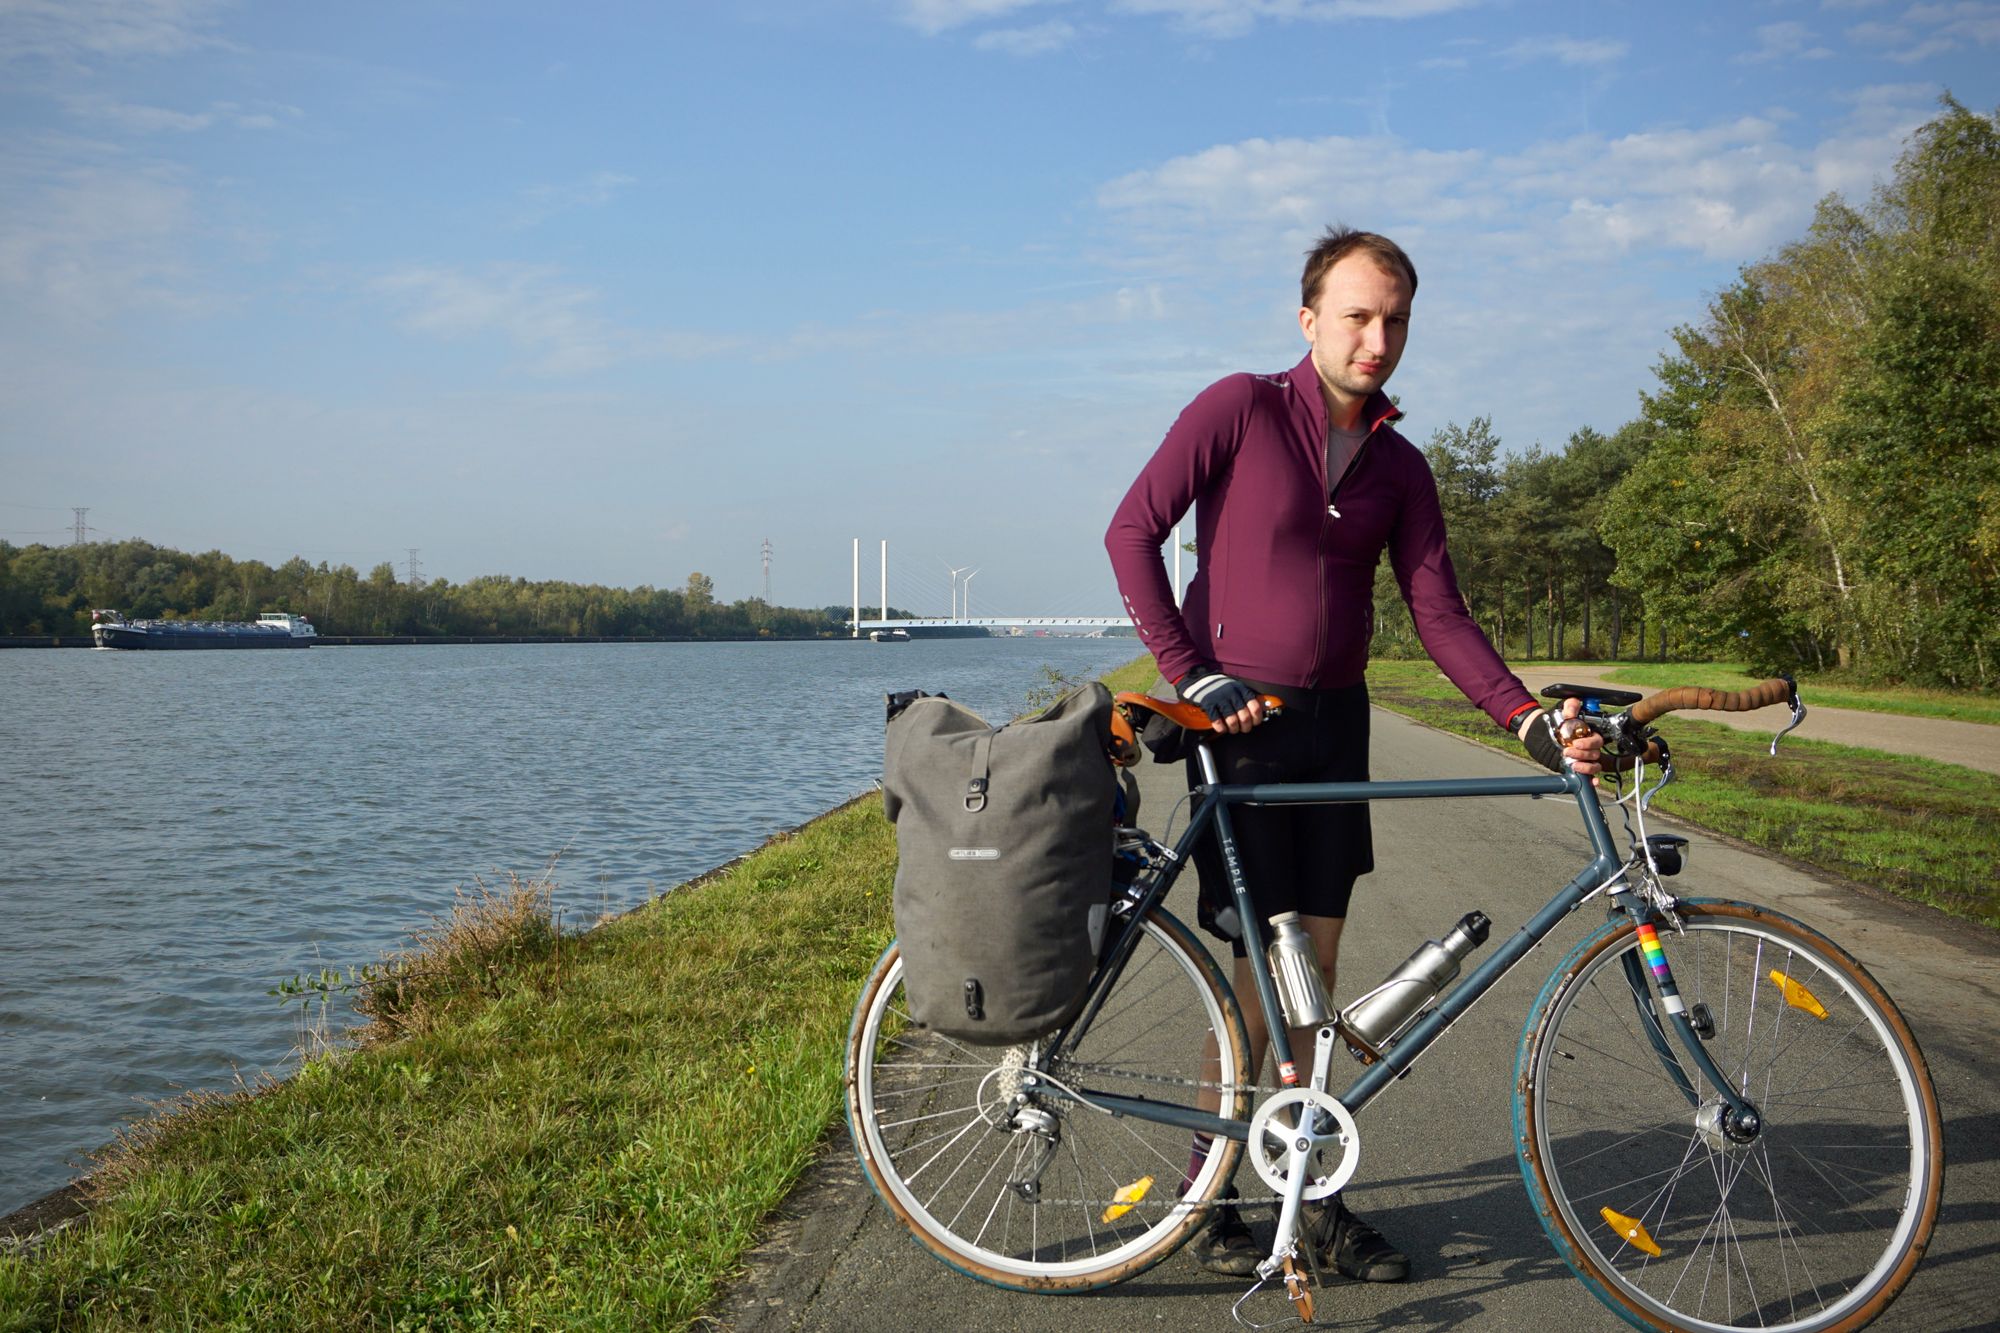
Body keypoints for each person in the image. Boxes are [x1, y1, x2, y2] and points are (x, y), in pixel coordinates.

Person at [1103, 226, 1604, 1282]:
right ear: (1308, 321)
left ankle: (1302, 1191)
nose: (1377, 339)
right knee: (1251, 990)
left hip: (1336, 728)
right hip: (1237, 729)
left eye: (1395, 320)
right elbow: (1130, 532)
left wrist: (1522, 717)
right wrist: (1189, 670)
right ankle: (1213, 1191)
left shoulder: (1399, 465)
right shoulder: (1238, 408)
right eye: (1357, 316)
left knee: (1314, 985)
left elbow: (1439, 612)